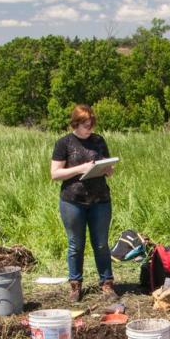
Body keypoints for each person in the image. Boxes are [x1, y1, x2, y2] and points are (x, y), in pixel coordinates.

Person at [49, 104, 116, 300]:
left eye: (92, 125)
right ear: (76, 123)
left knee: (102, 244)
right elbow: (55, 174)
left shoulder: (98, 141)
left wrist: (107, 169)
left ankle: (107, 283)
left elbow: (107, 166)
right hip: (73, 201)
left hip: (100, 199)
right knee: (75, 245)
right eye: (86, 125)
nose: (90, 129)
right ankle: (75, 285)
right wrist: (81, 169)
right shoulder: (64, 143)